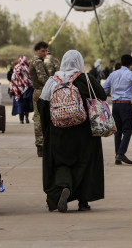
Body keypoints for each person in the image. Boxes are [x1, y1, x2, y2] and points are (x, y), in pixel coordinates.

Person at [38, 50, 106, 212]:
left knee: (61, 163)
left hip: (58, 132)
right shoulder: (86, 79)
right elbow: (102, 97)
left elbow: (42, 105)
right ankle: (83, 201)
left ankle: (63, 188)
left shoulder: (52, 80)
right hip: (84, 132)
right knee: (86, 163)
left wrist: (48, 129)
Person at [102, 54, 132, 165]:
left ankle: (117, 156)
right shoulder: (131, 74)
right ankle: (120, 153)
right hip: (125, 105)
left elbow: (103, 88)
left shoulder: (113, 74)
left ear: (121, 62)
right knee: (128, 130)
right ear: (131, 63)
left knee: (118, 131)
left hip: (115, 105)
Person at [31, 41, 60, 157]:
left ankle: (43, 144)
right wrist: (55, 83)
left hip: (42, 91)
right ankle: (40, 145)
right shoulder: (37, 62)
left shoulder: (40, 61)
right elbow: (42, 78)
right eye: (42, 51)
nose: (44, 53)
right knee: (39, 118)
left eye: (45, 51)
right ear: (37, 51)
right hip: (41, 91)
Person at [10, 55, 34, 124]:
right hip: (27, 89)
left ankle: (21, 120)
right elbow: (30, 78)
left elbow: (13, 78)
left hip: (18, 89)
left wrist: (12, 87)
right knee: (26, 104)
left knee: (20, 104)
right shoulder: (28, 67)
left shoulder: (16, 67)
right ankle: (26, 117)